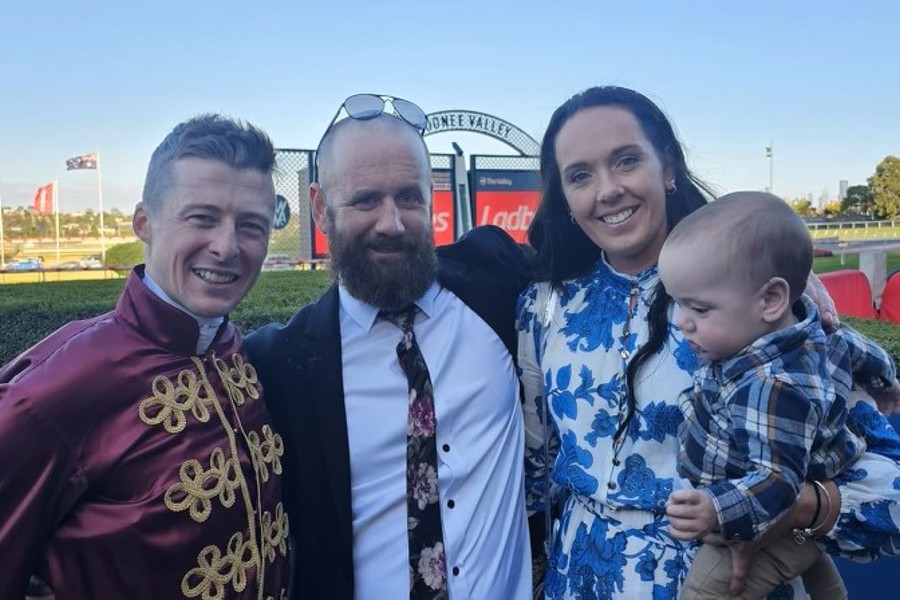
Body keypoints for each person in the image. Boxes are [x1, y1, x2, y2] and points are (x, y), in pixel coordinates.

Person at [516, 85, 900, 599]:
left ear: (668, 168)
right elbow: (536, 471)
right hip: (577, 580)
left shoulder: (757, 299)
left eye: (626, 160)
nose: (607, 190)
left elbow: (887, 487)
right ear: (563, 197)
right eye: (580, 175)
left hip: (731, 581)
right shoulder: (543, 305)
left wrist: (793, 507)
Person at [245, 94, 535, 599]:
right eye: (365, 200)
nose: (391, 223)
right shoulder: (281, 363)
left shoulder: (494, 279)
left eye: (408, 197)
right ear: (320, 207)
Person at [0, 114, 290, 599]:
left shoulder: (233, 350)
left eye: (251, 226)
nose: (226, 247)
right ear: (144, 223)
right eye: (201, 218)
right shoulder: (57, 387)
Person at [659, 191, 897, 599]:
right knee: (815, 569)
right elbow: (861, 350)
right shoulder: (812, 330)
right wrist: (886, 380)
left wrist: (717, 509)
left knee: (705, 590)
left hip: (758, 513)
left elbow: (778, 482)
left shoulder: (771, 385)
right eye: (678, 304)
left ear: (770, 300)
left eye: (699, 309)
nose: (682, 322)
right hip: (785, 510)